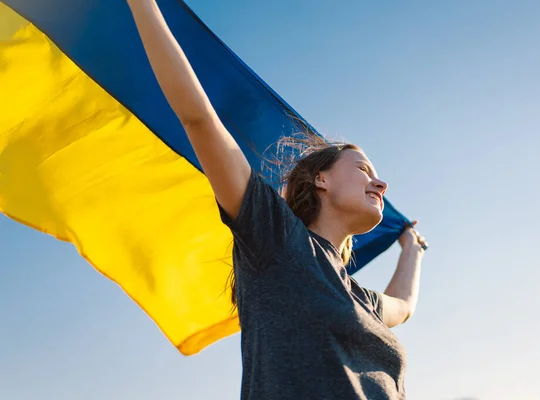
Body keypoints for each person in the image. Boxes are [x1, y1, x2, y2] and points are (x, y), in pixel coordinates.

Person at [126, 1, 427, 399]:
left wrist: (412, 249)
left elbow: (403, 305)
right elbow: (199, 117)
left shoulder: (360, 299)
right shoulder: (278, 242)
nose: (380, 183)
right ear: (321, 179)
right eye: (363, 169)